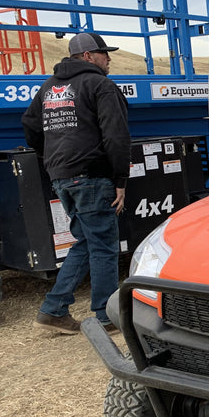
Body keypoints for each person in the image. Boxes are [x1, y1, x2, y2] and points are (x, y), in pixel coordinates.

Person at [22, 32, 130, 335]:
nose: (109, 58)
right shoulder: (100, 85)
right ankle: (106, 317)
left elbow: (30, 125)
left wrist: (52, 156)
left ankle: (53, 310)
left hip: (62, 177)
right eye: (104, 53)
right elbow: (116, 136)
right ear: (87, 56)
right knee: (105, 247)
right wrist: (120, 178)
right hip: (92, 177)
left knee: (87, 241)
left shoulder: (50, 86)